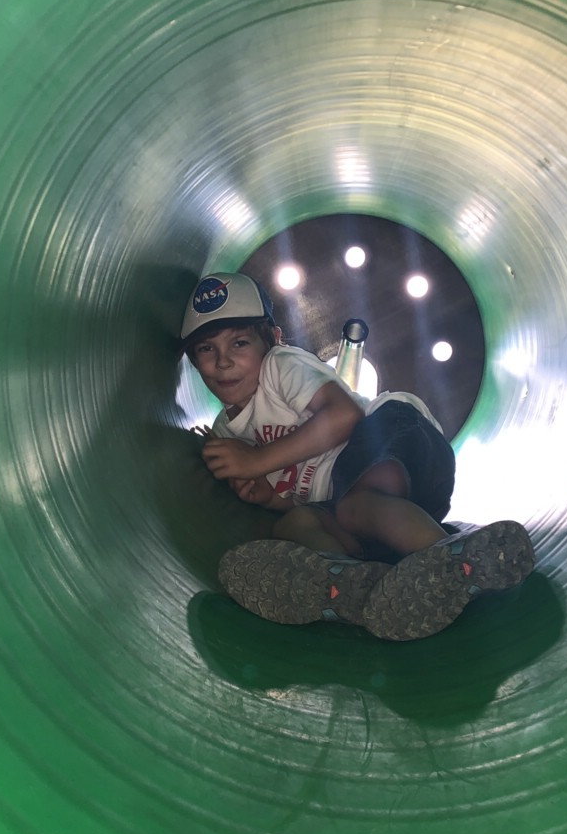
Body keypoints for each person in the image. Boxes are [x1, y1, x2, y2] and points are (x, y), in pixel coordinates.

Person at [179, 271, 534, 641]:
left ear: (273, 338)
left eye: (239, 343)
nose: (223, 362)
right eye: (206, 349)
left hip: (396, 438)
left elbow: (344, 416)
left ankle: (455, 561)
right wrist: (268, 497)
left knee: (355, 504)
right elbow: (299, 493)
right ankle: (352, 586)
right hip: (360, 512)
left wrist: (256, 461)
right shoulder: (225, 433)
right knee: (294, 524)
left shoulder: (279, 366)